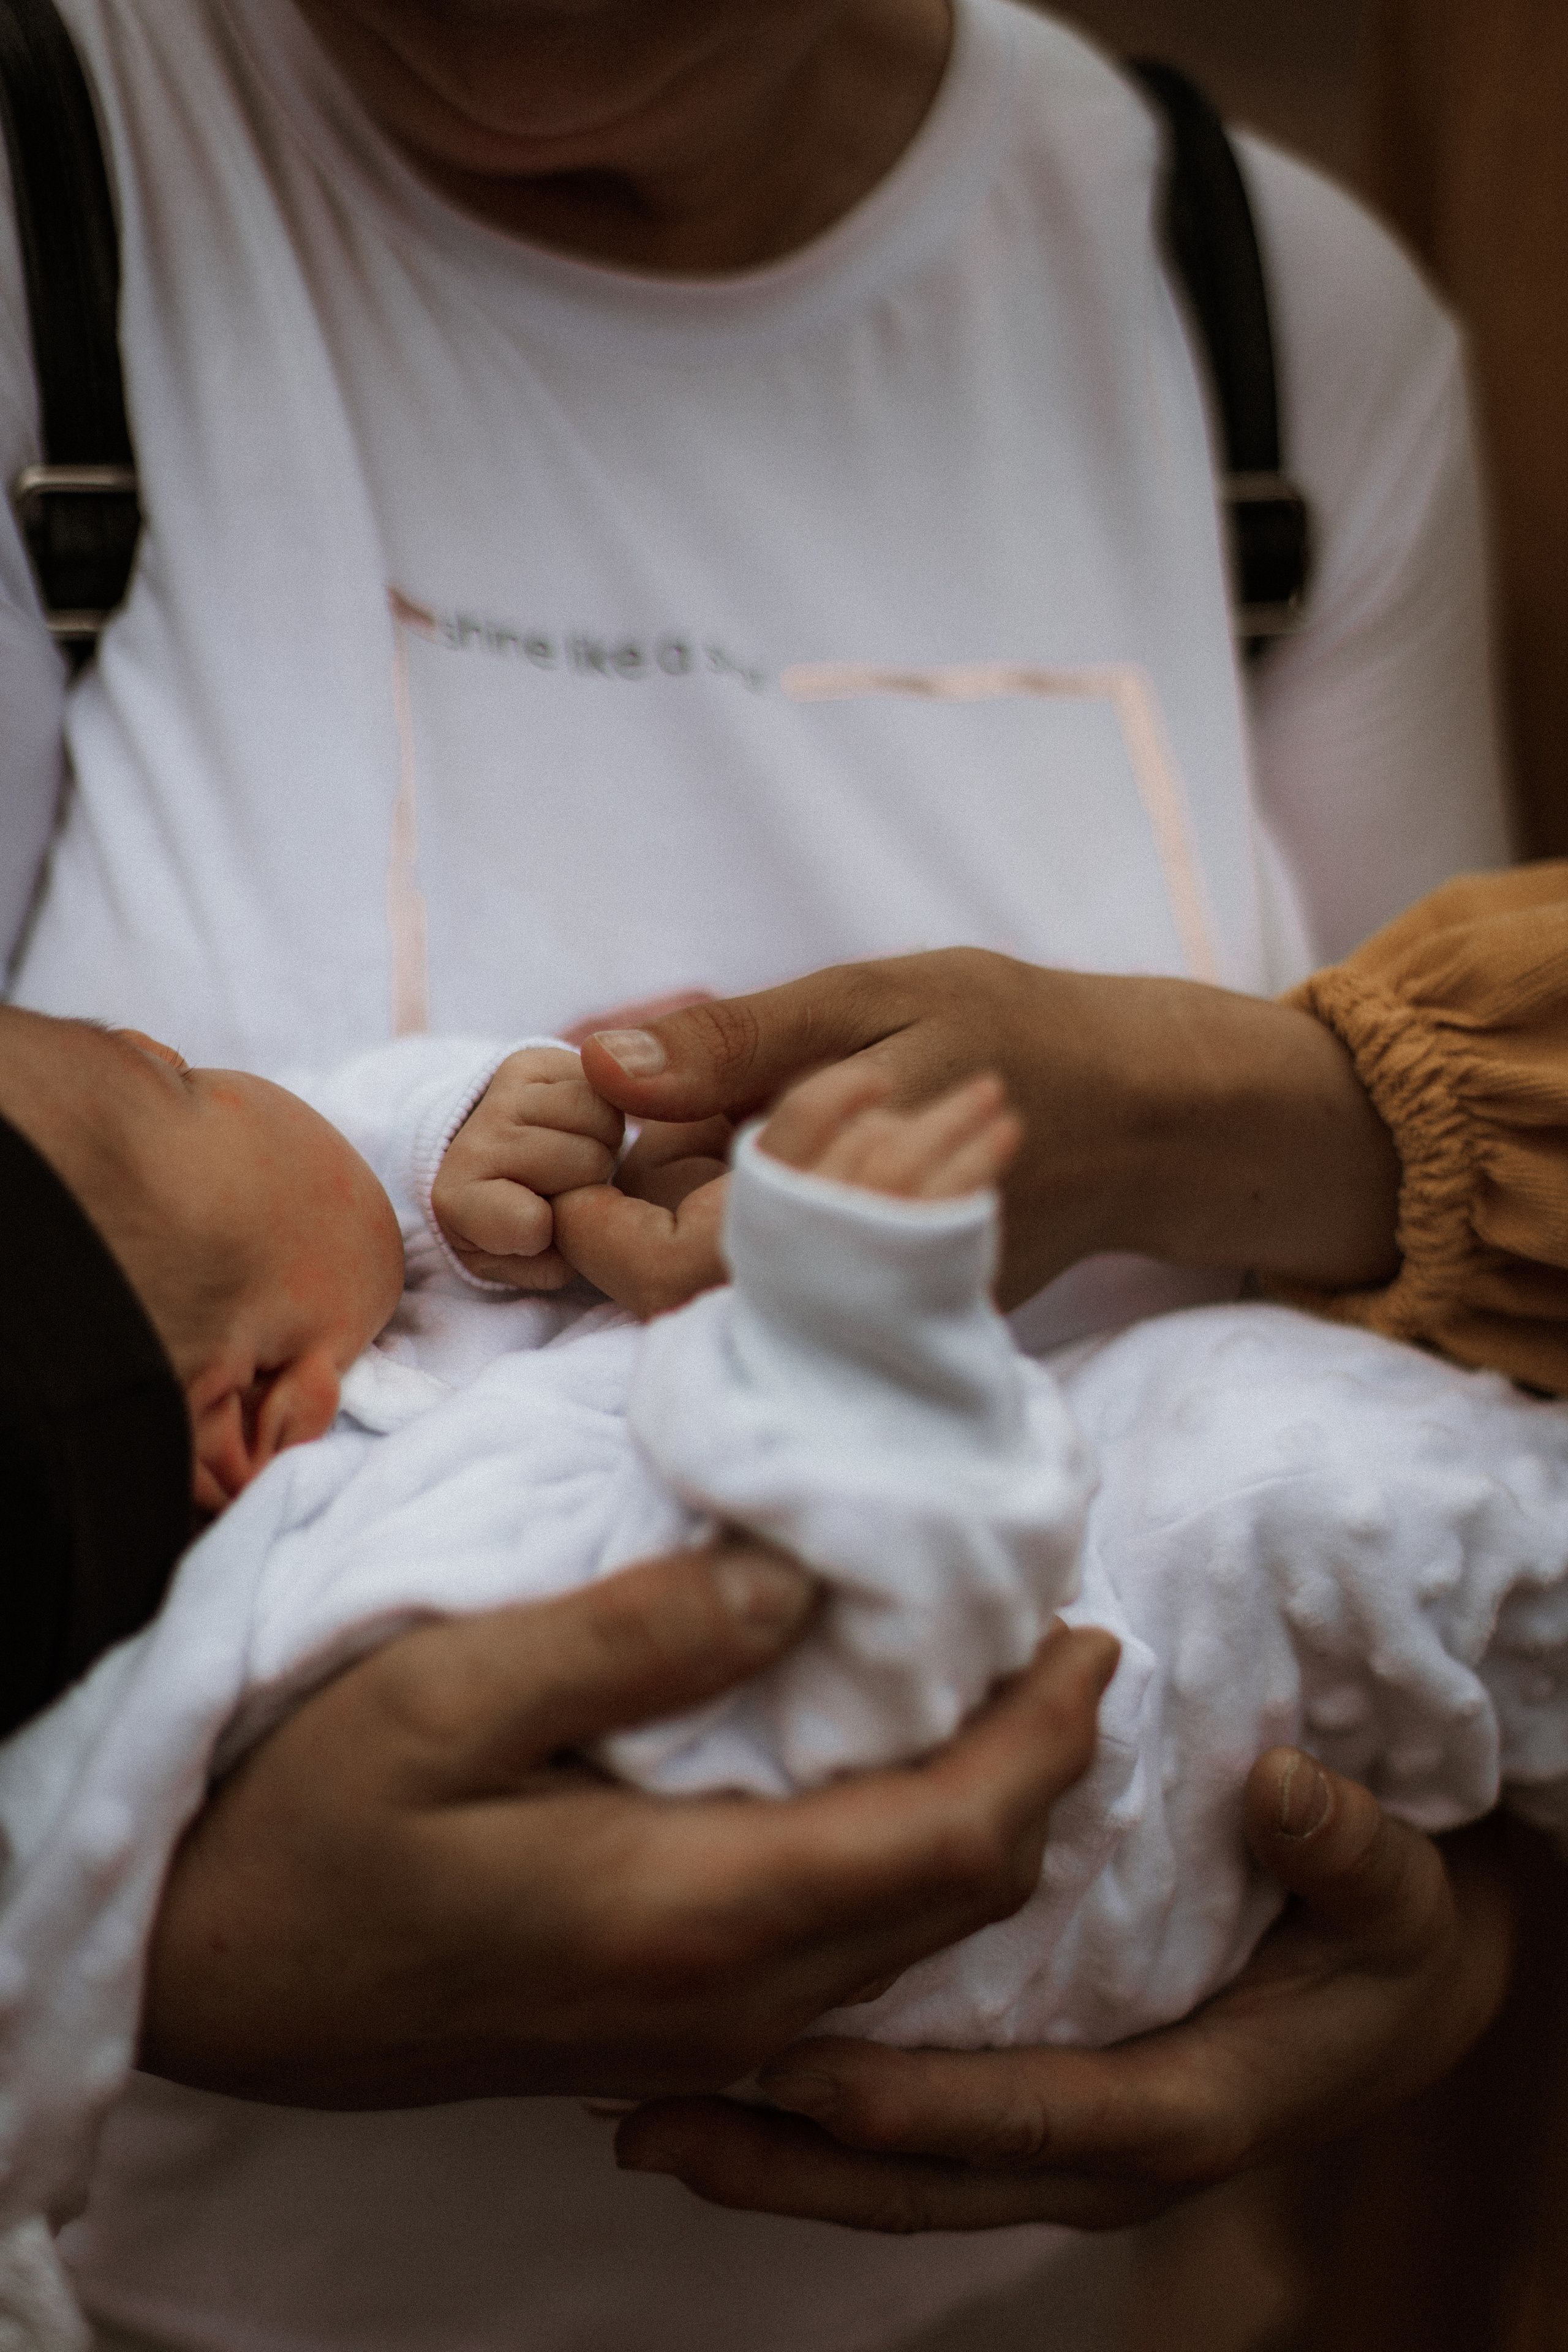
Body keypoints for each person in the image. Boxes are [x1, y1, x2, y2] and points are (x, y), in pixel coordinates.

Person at [0, 0, 1520, 2346]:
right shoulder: (50, 184)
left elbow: (1466, 1354)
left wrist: (1431, 1939)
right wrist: (176, 1963)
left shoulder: (1269, 326)